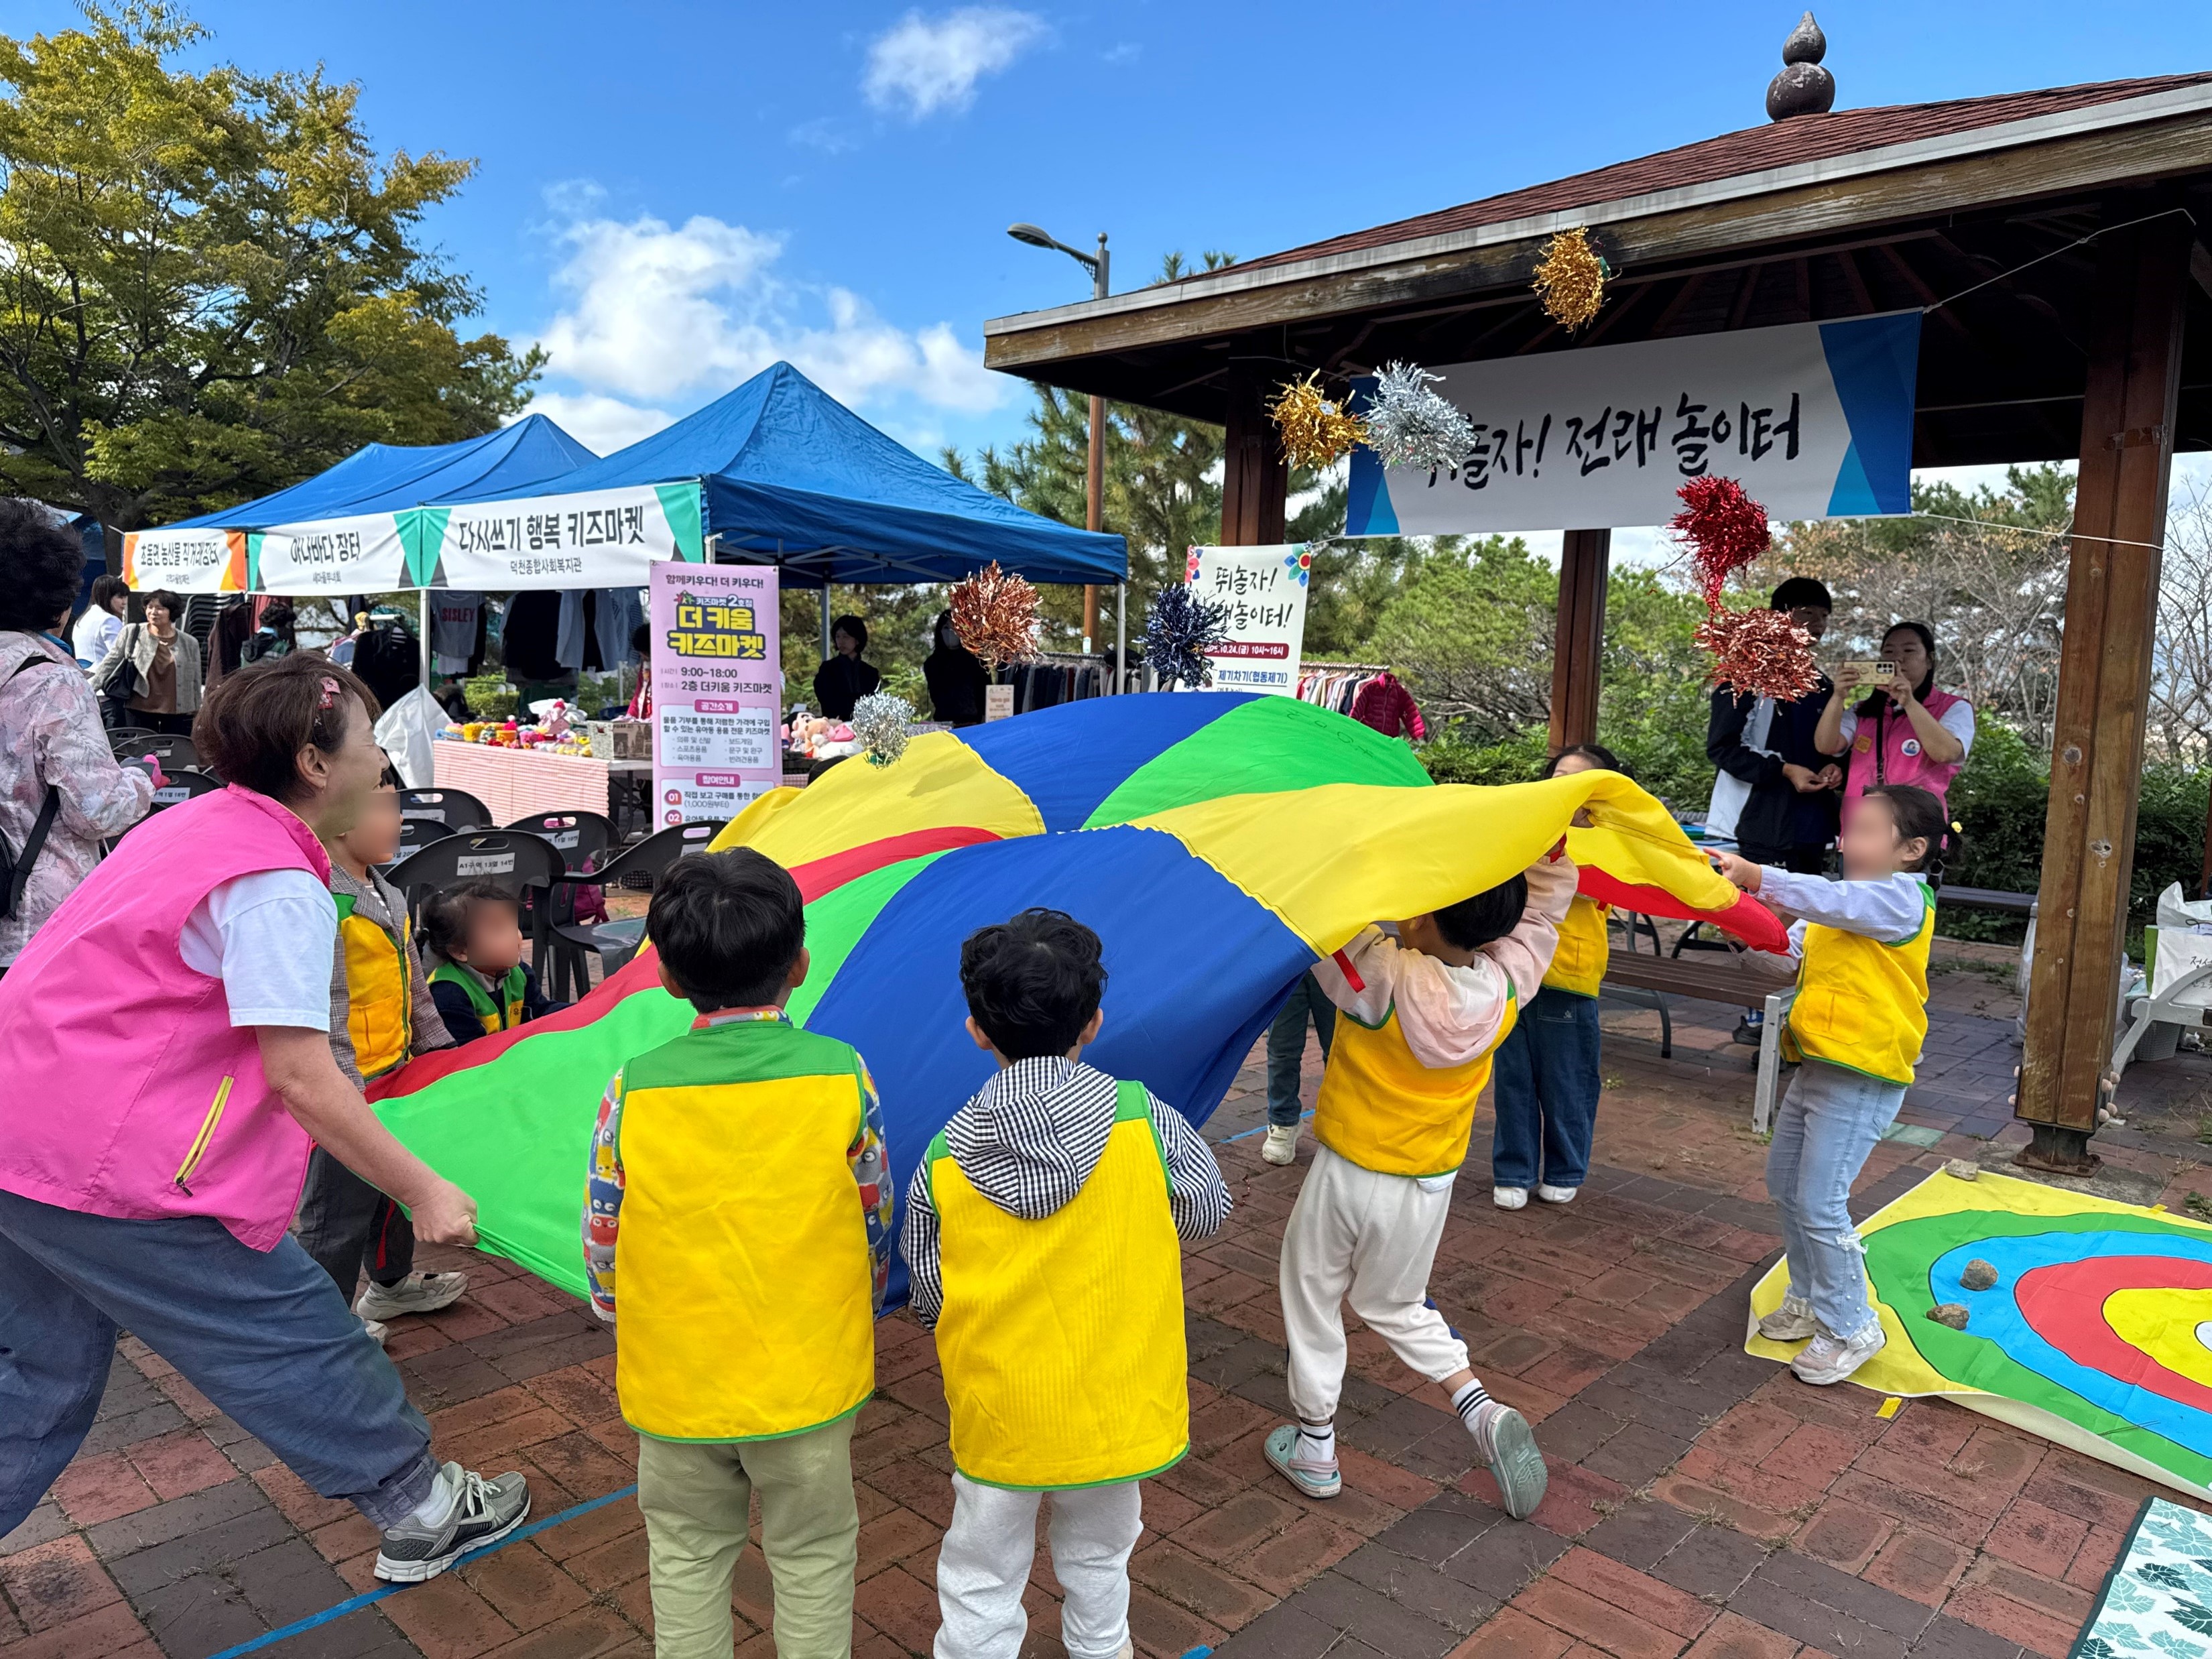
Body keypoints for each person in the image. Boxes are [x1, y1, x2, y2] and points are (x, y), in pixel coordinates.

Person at [0, 653, 530, 1579]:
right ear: (317, 763)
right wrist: (424, 1187)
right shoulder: (280, 882)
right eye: (368, 741)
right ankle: (421, 1503)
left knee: (46, 1370)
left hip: (23, 1120)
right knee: (286, 1320)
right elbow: (304, 1076)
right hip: (105, 1154)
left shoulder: (197, 824)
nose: (382, 763)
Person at [583, 848, 892, 1659]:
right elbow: (874, 1213)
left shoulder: (633, 1088)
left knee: (684, 1555)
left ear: (667, 978)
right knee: (816, 1552)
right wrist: (868, 1294)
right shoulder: (841, 1074)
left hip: (675, 1381)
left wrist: (613, 1308)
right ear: (800, 963)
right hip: (810, 1378)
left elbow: (604, 1226)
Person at [902, 908, 1229, 1659]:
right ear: (1094, 1022)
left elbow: (930, 1290)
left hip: (999, 1412)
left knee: (981, 1575)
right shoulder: (1147, 1122)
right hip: (1116, 1402)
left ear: (977, 1031)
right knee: (1100, 1560)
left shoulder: (945, 1156)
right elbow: (1207, 1211)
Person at [1266, 850, 1575, 1520]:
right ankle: (1478, 1406)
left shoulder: (1382, 974)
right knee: (1397, 1304)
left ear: (1426, 914)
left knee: (1311, 1291)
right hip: (1427, 1185)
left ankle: (1316, 1445)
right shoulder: (1508, 986)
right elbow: (1545, 913)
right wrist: (1549, 852)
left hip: (1349, 1171)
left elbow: (1319, 920)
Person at [1714, 783, 1945, 1387]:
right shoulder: (1832, 914)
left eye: (1868, 830)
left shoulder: (1901, 900)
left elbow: (1830, 898)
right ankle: (1811, 1297)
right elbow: (1782, 960)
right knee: (1786, 1185)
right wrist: (1732, 922)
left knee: (1819, 1200)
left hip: (1865, 1073)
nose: (1848, 841)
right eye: (1850, 829)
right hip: (1819, 1065)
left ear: (1912, 849)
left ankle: (1851, 1324)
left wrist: (1758, 876)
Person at [294, 772, 467, 1347]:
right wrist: (346, 1095)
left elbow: (415, 988)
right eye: (387, 809)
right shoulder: (327, 901)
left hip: (395, 1076)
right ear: (342, 818)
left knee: (390, 1196)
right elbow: (327, 1005)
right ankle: (322, 1324)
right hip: (349, 1087)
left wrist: (439, 1053)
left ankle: (391, 1285)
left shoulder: (388, 893)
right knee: (335, 1217)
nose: (399, 821)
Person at [0, 508, 154, 975]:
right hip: (34, 920)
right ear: (57, 600)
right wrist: (140, 779)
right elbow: (97, 810)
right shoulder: (51, 683)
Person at [1705, 577, 1840, 1046]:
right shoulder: (1742, 676)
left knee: (1805, 910)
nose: (1817, 624)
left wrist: (1830, 769)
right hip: (1753, 818)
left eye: (1824, 615)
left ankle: (1796, 1013)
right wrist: (1785, 771)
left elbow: (1830, 743)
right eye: (1806, 612)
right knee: (1756, 911)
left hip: (1808, 820)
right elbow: (1722, 748)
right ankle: (1757, 1015)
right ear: (1778, 616)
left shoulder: (1823, 684)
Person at [1491, 745, 1618, 1209]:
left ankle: (1565, 1167)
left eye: (1579, 780)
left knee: (1567, 1080)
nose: (1564, 785)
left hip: (1570, 976)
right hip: (1511, 966)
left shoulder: (1611, 845)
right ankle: (1513, 1169)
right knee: (1512, 1077)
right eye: (1558, 775)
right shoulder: (1525, 829)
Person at [1815, 620, 1975, 824]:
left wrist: (1909, 702)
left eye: (1909, 651)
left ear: (1929, 661)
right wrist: (1838, 696)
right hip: (1862, 825)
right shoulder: (1863, 710)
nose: (1898, 658)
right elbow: (1825, 745)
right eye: (1888, 652)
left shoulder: (1955, 707)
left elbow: (1946, 753)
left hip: (1916, 827)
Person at [423, 880, 560, 1042]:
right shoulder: (449, 993)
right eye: (498, 931)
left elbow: (540, 1011)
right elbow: (468, 1054)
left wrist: (583, 1012)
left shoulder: (518, 973)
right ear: (461, 951)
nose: (515, 937)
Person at [97, 589, 204, 737]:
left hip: (178, 713)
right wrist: (88, 688)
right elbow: (110, 662)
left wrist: (198, 712)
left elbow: (195, 681)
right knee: (141, 755)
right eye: (150, 607)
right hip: (139, 710)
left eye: (160, 608)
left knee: (177, 754)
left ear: (172, 612)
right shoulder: (132, 633)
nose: (153, 612)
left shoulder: (190, 643)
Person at [1259, 974, 1334, 1166]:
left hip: (1337, 957)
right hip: (1290, 959)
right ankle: (1282, 1121)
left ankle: (1339, 1122)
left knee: (1338, 1049)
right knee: (1282, 1047)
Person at [922, 610, 987, 727]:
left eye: (955, 628)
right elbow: (936, 698)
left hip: (973, 724)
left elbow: (985, 694)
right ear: (940, 631)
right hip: (943, 726)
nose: (951, 632)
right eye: (947, 628)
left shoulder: (977, 660)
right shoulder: (932, 664)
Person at [812, 615, 880, 721]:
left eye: (846, 636)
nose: (841, 641)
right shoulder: (827, 669)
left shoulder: (871, 673)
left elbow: (875, 704)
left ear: (857, 640)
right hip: (835, 727)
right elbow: (828, 701)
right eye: (838, 636)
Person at [71, 575, 128, 669]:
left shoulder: (83, 618)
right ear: (107, 596)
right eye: (120, 597)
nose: (124, 602)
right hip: (103, 677)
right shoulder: (109, 620)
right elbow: (121, 656)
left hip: (83, 675)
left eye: (125, 597)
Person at [243, 600, 296, 664]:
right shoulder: (284, 649)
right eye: (289, 626)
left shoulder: (246, 647)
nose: (290, 631)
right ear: (277, 626)